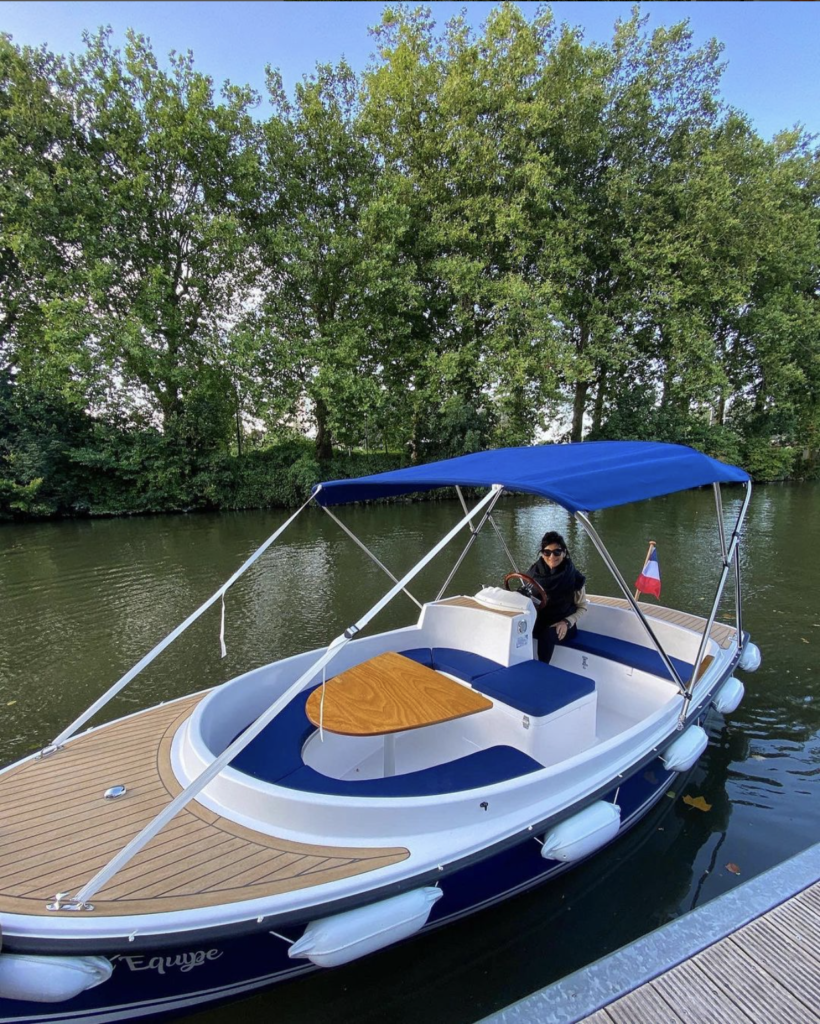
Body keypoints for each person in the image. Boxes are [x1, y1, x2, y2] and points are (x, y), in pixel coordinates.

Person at [526, 531, 588, 663]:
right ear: (542, 554)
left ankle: (543, 670)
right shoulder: (533, 573)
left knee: (547, 635)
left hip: (563, 624)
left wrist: (566, 622)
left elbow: (582, 607)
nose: (552, 556)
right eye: (547, 552)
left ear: (564, 552)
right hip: (539, 619)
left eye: (557, 552)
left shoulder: (574, 578)